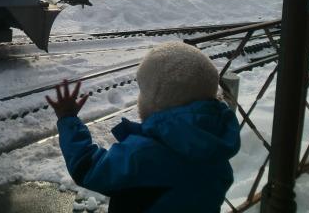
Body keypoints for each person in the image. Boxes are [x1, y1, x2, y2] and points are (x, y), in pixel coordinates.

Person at [46, 41, 241, 213]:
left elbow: (88, 168)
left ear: (157, 100)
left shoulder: (145, 153)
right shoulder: (217, 144)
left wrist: (68, 119)